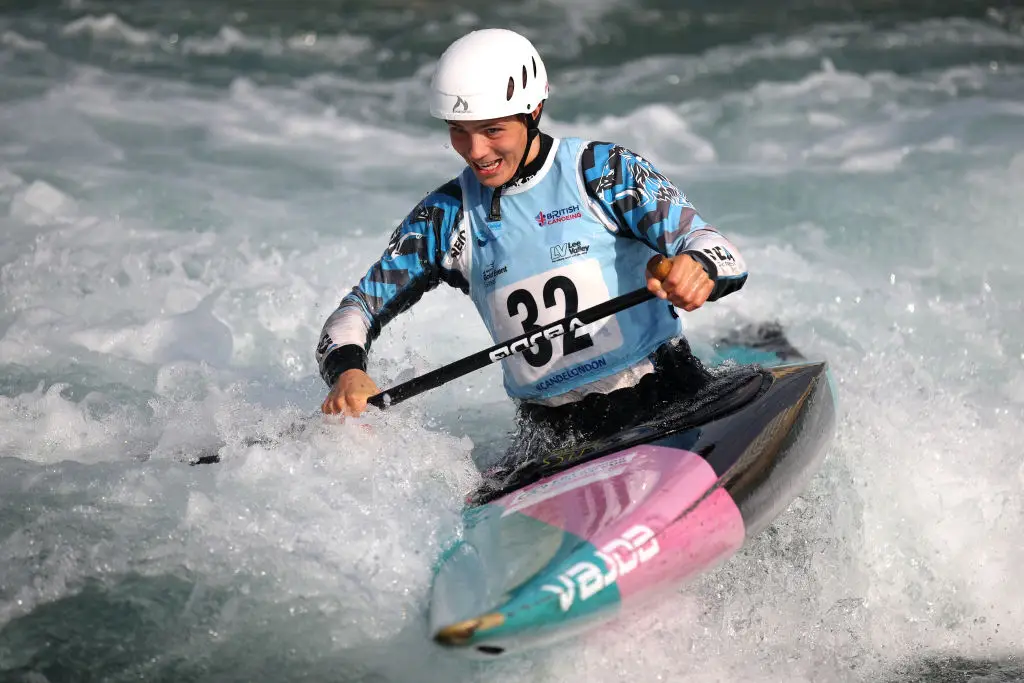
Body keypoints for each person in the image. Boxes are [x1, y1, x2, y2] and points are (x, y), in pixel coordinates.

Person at [316, 28, 748, 458]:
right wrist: (348, 372)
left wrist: (697, 266)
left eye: (492, 130)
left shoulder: (602, 173)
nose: (475, 150)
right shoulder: (444, 218)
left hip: (670, 398)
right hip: (550, 438)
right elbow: (353, 313)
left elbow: (715, 247)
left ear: (534, 110)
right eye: (458, 131)